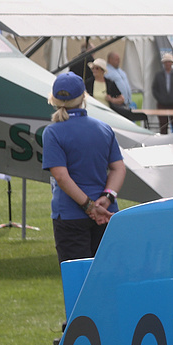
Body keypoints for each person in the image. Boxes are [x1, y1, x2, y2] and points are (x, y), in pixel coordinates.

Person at [43, 70, 126, 263]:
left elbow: (62, 177)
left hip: (70, 214)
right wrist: (107, 197)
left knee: (77, 281)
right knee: (104, 278)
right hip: (107, 213)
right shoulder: (104, 128)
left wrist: (89, 207)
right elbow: (118, 168)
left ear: (54, 99)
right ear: (84, 97)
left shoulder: (53, 133)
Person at [90, 58, 139, 123]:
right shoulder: (89, 83)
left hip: (107, 115)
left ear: (102, 70)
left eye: (97, 68)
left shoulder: (110, 83)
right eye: (93, 68)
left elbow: (121, 99)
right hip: (93, 115)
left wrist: (111, 100)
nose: (94, 70)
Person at [151, 53, 173, 132]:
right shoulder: (158, 75)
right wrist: (160, 98)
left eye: (169, 62)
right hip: (162, 104)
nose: (167, 64)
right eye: (166, 62)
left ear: (172, 63)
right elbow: (154, 88)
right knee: (163, 126)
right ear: (163, 63)